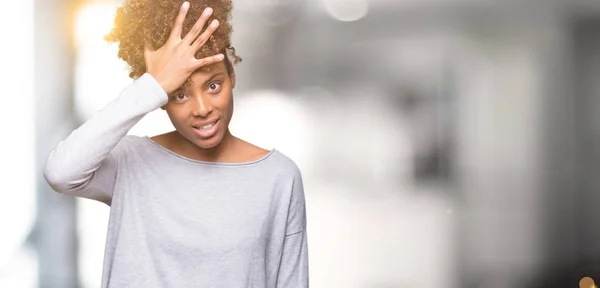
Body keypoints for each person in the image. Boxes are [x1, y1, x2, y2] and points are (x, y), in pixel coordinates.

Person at [42, 1, 309, 287]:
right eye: (179, 95)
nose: (203, 108)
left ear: (232, 76)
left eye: (214, 85)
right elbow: (61, 173)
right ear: (161, 102)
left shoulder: (279, 177)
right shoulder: (131, 163)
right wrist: (153, 85)